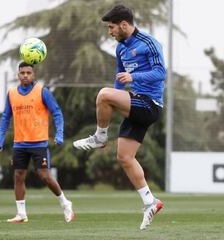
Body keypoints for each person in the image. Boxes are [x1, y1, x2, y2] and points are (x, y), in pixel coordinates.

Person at [73, 4, 165, 230]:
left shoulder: (149, 43)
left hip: (150, 104)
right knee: (124, 157)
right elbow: (118, 80)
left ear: (124, 25)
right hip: (135, 103)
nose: (110, 32)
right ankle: (150, 202)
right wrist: (116, 97)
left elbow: (161, 72)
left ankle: (100, 137)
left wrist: (132, 77)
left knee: (103, 94)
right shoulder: (121, 49)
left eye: (112, 27)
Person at [0, 62, 74, 223]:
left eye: (28, 73)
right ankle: (21, 214)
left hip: (39, 143)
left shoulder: (42, 92)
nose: (25, 75)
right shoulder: (11, 93)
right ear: (18, 75)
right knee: (18, 176)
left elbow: (57, 112)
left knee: (44, 176)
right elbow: (5, 117)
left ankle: (65, 203)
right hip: (20, 144)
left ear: (34, 75)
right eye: (22, 72)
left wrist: (59, 134)